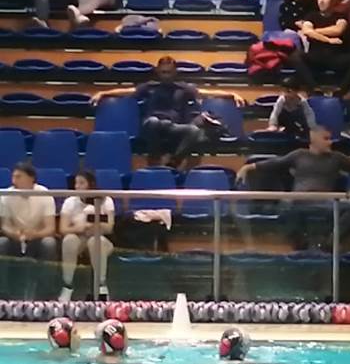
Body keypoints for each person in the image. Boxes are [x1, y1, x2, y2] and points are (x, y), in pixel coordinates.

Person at [237, 126, 350, 250]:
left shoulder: (336, 158)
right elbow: (275, 163)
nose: (330, 142)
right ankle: (300, 244)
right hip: (298, 200)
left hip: (324, 202)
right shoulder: (299, 154)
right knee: (285, 206)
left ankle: (331, 241)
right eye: (326, 139)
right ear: (314, 140)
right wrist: (248, 167)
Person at [92, 56, 244, 169]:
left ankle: (174, 163)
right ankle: (154, 159)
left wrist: (231, 94)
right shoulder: (150, 86)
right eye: (163, 72)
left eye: (169, 72)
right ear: (158, 72)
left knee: (194, 131)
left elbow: (205, 93)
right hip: (152, 125)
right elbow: (127, 91)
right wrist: (103, 93)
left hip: (173, 128)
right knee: (153, 122)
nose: (166, 75)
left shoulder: (183, 88)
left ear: (175, 72)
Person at [58, 170, 115, 303]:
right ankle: (67, 286)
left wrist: (93, 226)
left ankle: (101, 286)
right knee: (69, 240)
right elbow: (63, 229)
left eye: (81, 183)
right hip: (78, 238)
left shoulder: (105, 200)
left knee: (96, 241)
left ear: (91, 185)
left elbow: (109, 227)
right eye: (76, 183)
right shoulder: (70, 202)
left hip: (100, 238)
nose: (77, 186)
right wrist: (80, 228)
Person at [0, 163, 57, 276]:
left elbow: (50, 228)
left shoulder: (44, 194)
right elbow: (5, 225)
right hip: (15, 239)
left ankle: (46, 284)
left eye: (18, 177)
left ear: (31, 178)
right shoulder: (6, 195)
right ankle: (3, 284)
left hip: (38, 237)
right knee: (2, 243)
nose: (13, 181)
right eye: (13, 177)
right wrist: (13, 233)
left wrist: (35, 234)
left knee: (49, 244)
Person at [295, 0, 350, 84]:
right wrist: (328, 40)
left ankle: (344, 89)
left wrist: (314, 31)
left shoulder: (341, 16)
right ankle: (314, 88)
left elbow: (338, 30)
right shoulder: (311, 16)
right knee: (295, 56)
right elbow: (307, 31)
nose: (321, 1)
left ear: (333, 0)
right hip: (316, 56)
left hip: (336, 57)